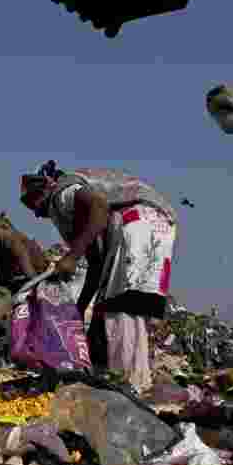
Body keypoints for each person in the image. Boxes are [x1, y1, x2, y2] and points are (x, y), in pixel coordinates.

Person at [20, 164, 179, 391]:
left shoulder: (63, 194)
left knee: (120, 305)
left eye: (32, 202)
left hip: (133, 222)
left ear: (45, 189)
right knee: (137, 304)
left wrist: (72, 256)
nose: (35, 213)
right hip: (160, 223)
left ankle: (125, 385)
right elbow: (96, 267)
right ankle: (136, 382)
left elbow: (100, 205)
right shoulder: (79, 207)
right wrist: (79, 311)